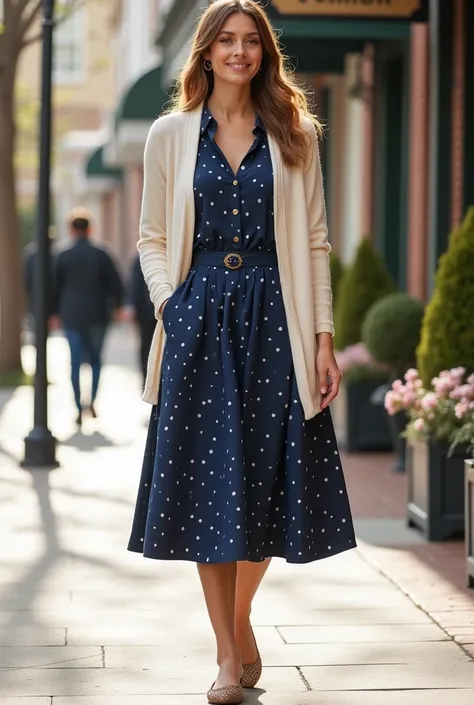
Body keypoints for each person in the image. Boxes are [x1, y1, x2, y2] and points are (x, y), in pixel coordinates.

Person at [128, 2, 356, 703]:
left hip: (274, 320)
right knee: (208, 488)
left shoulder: (295, 133)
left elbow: (315, 241)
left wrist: (322, 337)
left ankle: (239, 616)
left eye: (250, 41)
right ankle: (229, 660)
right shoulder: (169, 134)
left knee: (264, 484)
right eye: (226, 40)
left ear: (264, 52)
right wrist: (171, 302)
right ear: (204, 52)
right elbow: (150, 238)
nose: (238, 51)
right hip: (200, 322)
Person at [50, 208, 124, 426]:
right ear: (90, 229)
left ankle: (77, 406)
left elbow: (53, 288)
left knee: (74, 362)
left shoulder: (62, 256)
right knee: (95, 361)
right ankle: (92, 400)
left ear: (71, 230)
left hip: (71, 315)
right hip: (98, 314)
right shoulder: (102, 253)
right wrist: (118, 307)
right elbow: (116, 284)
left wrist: (53, 313)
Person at [128, 253, 156, 385]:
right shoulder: (142, 255)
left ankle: (148, 381)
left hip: (148, 311)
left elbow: (133, 285)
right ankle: (147, 380)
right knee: (147, 347)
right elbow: (134, 285)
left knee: (147, 347)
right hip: (147, 312)